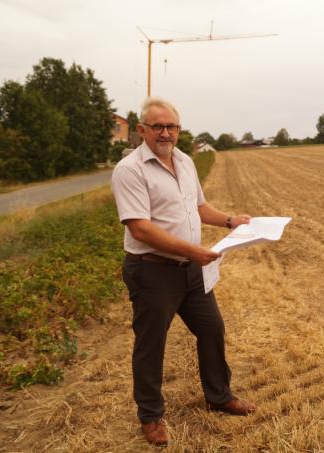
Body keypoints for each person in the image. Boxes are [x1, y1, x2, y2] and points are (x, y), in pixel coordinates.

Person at [111, 96, 256, 446]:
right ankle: (150, 416)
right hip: (152, 272)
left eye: (171, 126)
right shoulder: (130, 170)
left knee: (212, 329)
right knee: (151, 344)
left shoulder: (186, 161)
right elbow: (140, 229)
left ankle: (219, 397)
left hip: (192, 271)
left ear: (179, 130)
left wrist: (231, 221)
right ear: (142, 129)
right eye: (157, 126)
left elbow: (199, 207)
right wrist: (194, 250)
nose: (165, 132)